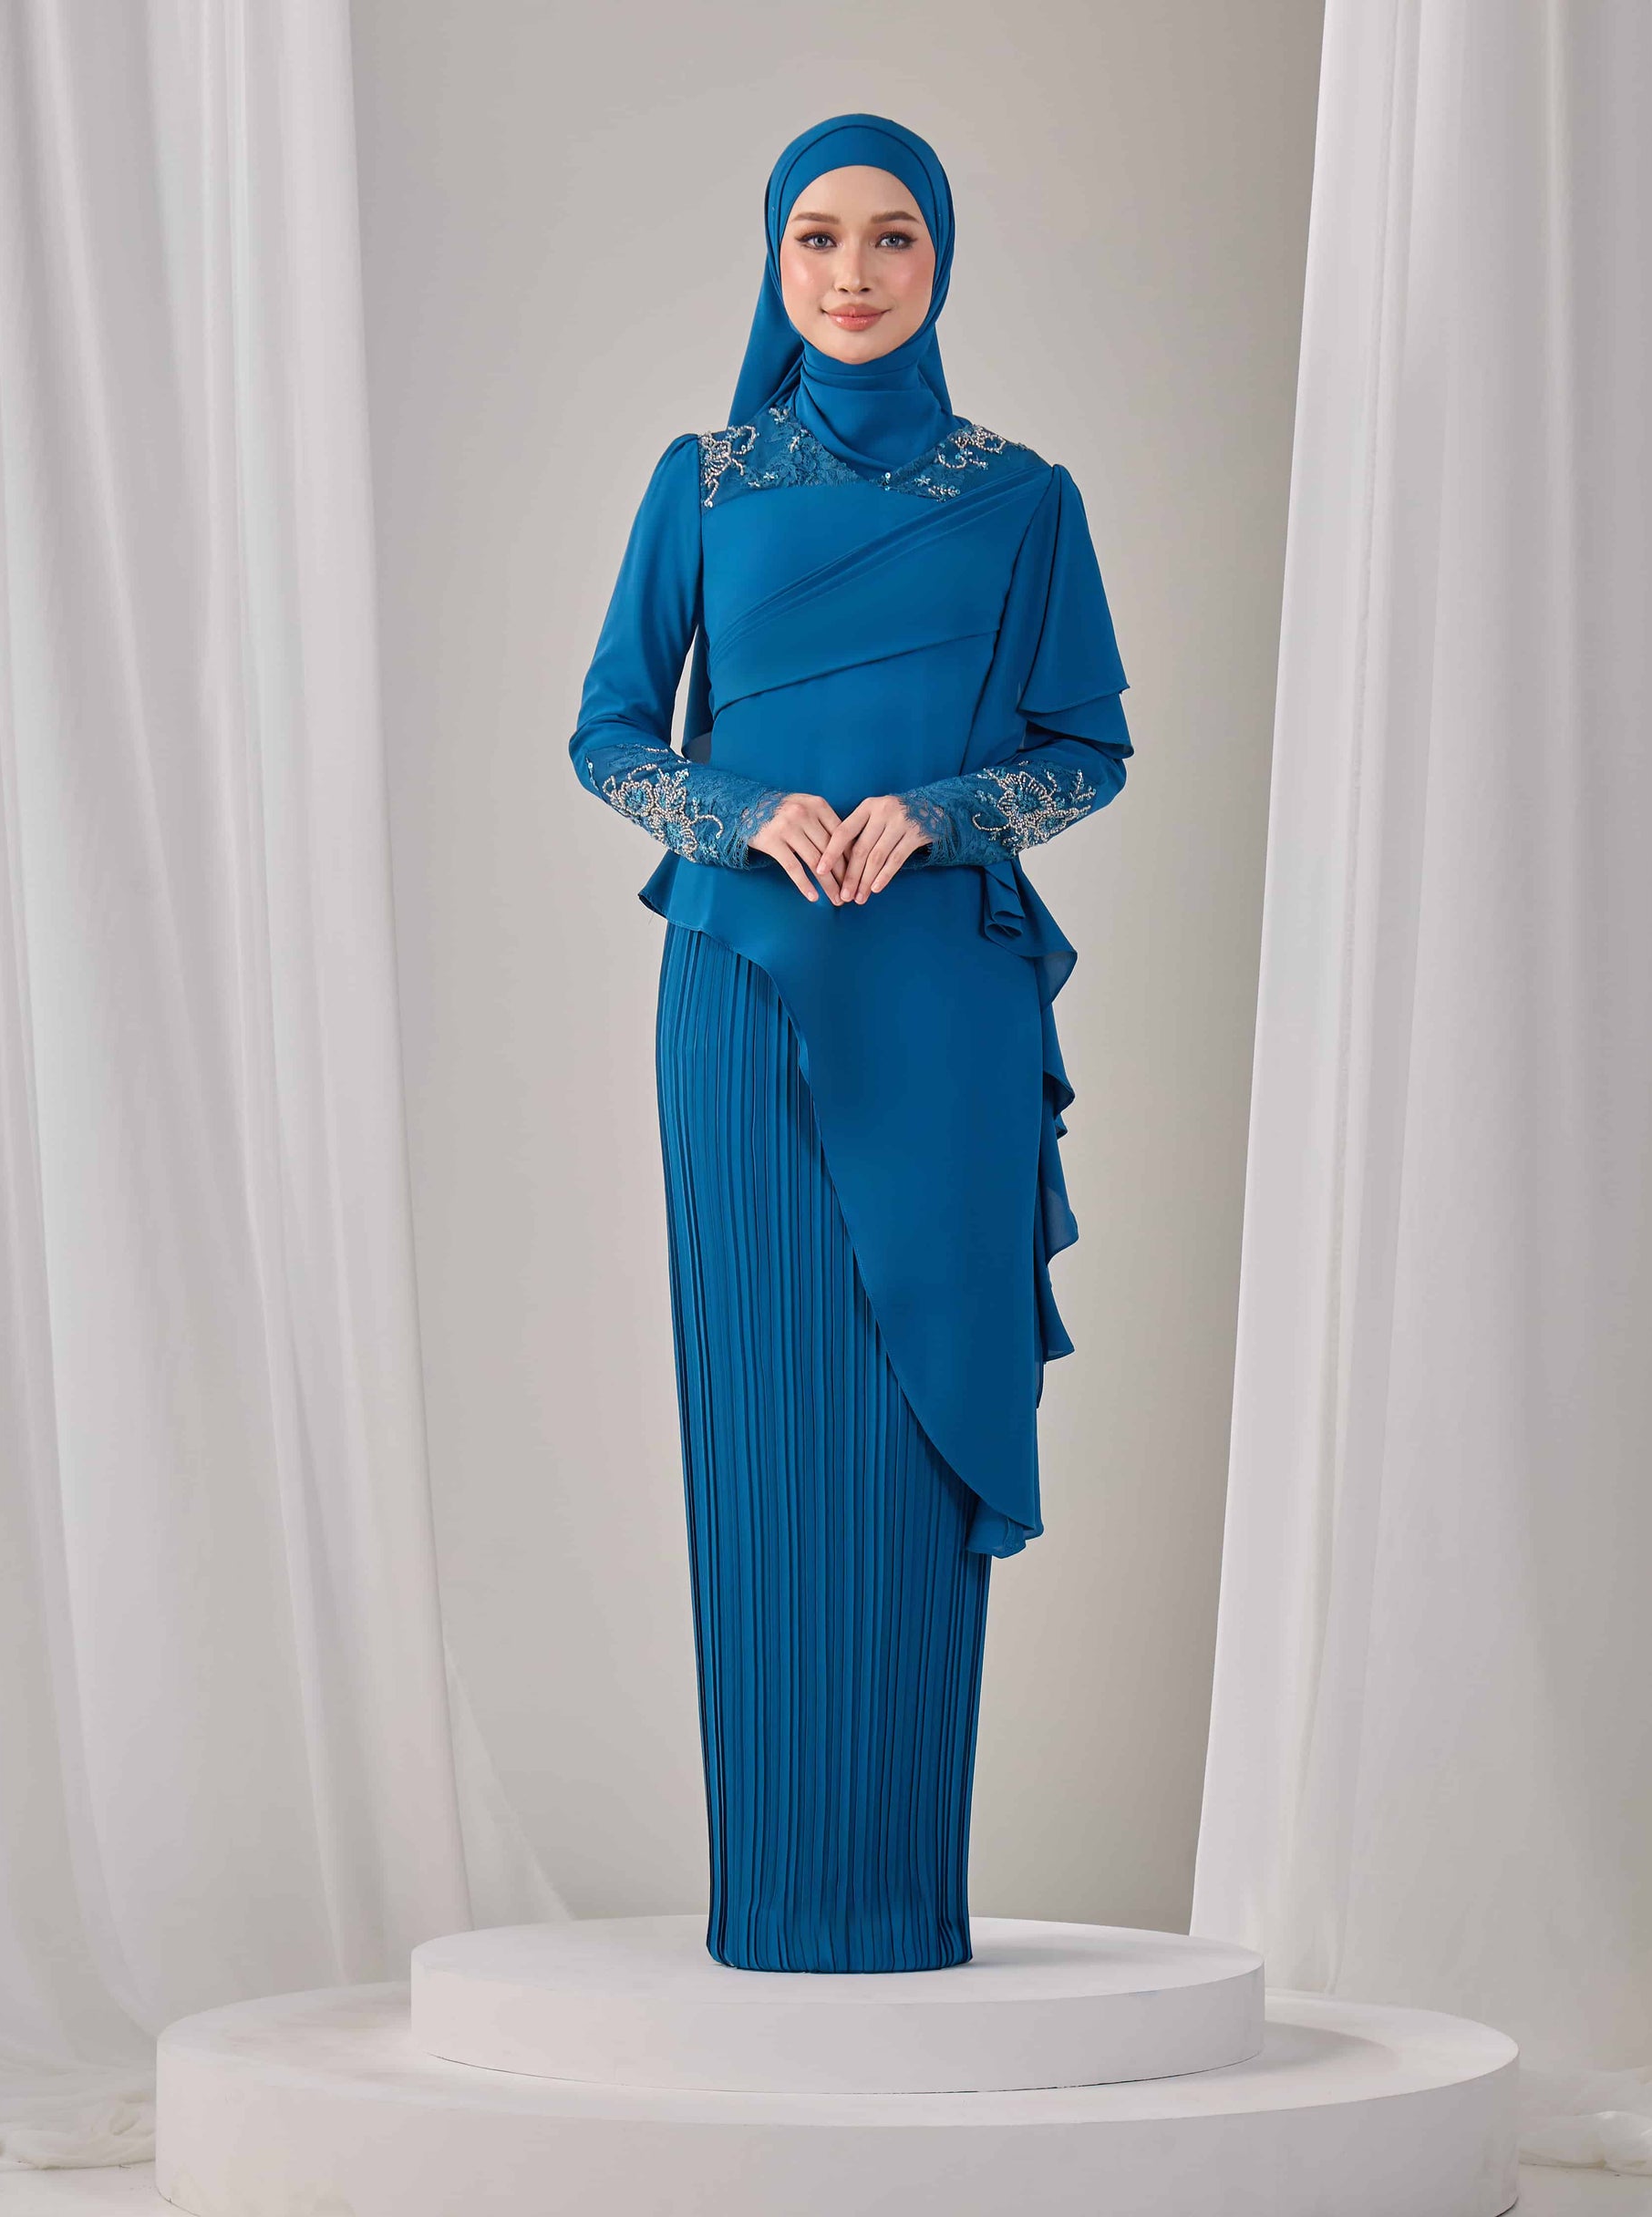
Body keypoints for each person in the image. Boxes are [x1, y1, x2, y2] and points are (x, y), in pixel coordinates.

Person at [568, 114, 1132, 1975]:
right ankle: (775, 1904)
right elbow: (607, 731)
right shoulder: (702, 484)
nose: (853, 273)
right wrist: (741, 813)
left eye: (892, 237)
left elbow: (1087, 748)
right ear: (775, 260)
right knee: (762, 1418)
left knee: (910, 1430)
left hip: (945, 1006)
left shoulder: (1024, 498)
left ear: (938, 261)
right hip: (741, 995)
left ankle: (897, 1908)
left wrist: (941, 814)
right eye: (816, 238)